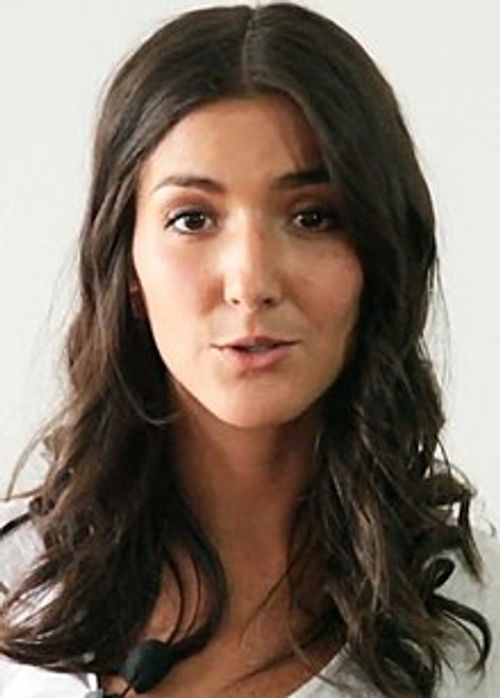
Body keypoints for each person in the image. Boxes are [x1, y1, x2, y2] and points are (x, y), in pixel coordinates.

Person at [0, 2, 499, 696]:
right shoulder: (16, 594)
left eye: (313, 217)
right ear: (127, 266)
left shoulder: (477, 625)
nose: (252, 282)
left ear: (380, 259)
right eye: (193, 219)